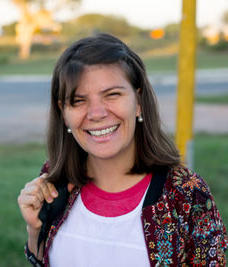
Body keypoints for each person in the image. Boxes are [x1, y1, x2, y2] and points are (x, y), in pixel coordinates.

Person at [17, 33, 227, 266]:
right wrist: (35, 229)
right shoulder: (55, 184)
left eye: (112, 94)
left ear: (138, 101)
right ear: (63, 113)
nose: (96, 114)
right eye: (78, 101)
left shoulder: (186, 194)